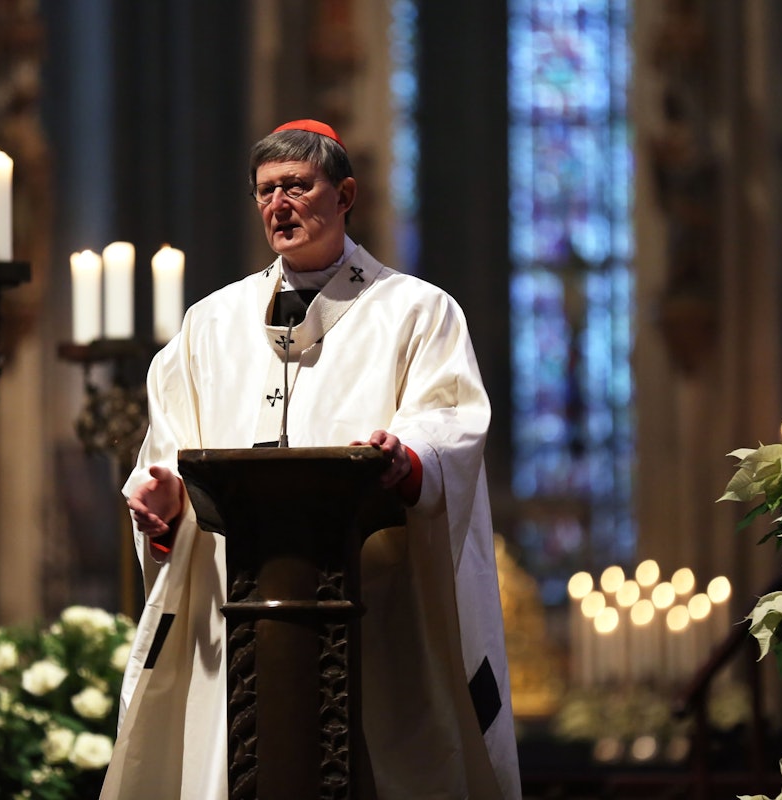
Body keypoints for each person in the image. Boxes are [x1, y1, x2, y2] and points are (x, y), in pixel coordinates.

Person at [99, 119, 521, 799]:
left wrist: (405, 459)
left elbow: (448, 421)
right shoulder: (209, 325)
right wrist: (166, 503)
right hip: (239, 607)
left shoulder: (415, 312)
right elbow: (171, 454)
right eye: (266, 191)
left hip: (371, 604)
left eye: (297, 186)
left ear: (344, 193)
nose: (278, 205)